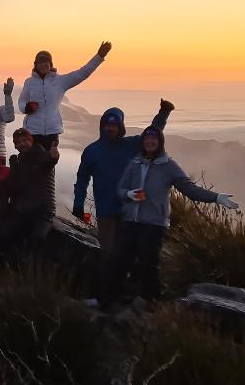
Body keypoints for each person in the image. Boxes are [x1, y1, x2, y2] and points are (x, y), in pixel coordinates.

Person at [106, 127, 239, 307]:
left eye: (154, 139)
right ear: (143, 142)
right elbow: (120, 190)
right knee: (121, 260)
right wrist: (129, 194)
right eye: (147, 139)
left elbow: (189, 189)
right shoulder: (135, 163)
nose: (150, 142)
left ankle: (151, 302)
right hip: (131, 220)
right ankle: (111, 300)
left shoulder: (168, 166)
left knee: (148, 263)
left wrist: (215, 197)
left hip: (154, 223)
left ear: (160, 142)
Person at [72, 100, 175, 280]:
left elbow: (152, 133)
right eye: (107, 125)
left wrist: (164, 112)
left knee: (130, 253)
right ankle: (104, 295)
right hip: (106, 210)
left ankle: (124, 293)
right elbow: (82, 179)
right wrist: (78, 204)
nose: (110, 128)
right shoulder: (92, 151)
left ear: (120, 126)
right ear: (102, 126)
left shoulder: (131, 145)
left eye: (114, 124)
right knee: (109, 253)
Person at [16, 41, 111, 154]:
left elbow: (82, 73)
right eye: (39, 62)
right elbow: (21, 101)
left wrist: (99, 57)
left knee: (49, 164)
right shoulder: (29, 82)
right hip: (32, 132)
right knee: (32, 164)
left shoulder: (60, 81)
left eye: (46, 62)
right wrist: (26, 108)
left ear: (50, 64)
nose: (43, 65)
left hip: (52, 133)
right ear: (35, 65)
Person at [1, 127, 59, 251]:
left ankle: (34, 268)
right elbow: (15, 186)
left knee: (37, 239)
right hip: (26, 206)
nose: (22, 144)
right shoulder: (19, 161)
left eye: (24, 140)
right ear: (15, 146)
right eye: (18, 142)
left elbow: (46, 163)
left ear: (31, 141)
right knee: (6, 233)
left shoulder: (41, 154)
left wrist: (54, 158)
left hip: (43, 209)